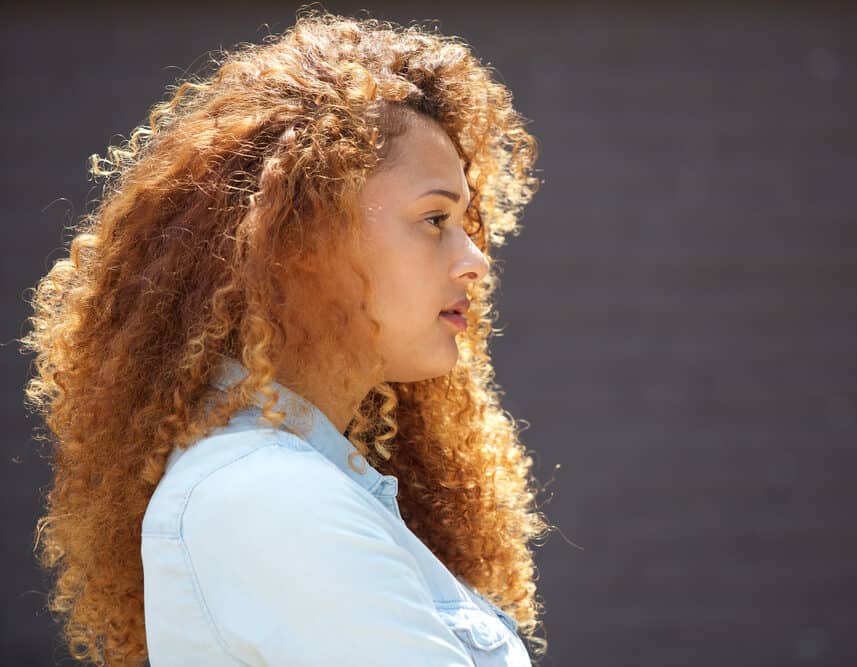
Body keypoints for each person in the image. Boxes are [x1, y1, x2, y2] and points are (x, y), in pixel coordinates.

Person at [19, 8, 551, 666]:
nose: (475, 258)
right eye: (436, 217)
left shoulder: (294, 483)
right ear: (302, 239)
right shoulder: (264, 496)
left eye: (467, 221)